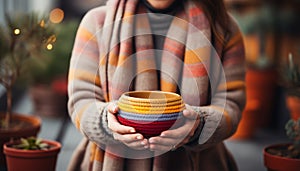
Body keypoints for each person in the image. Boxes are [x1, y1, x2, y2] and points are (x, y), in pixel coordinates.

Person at [67, 0, 246, 170]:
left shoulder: (224, 28)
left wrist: (199, 125)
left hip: (200, 164)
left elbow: (231, 104)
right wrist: (107, 121)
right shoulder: (97, 22)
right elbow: (81, 100)